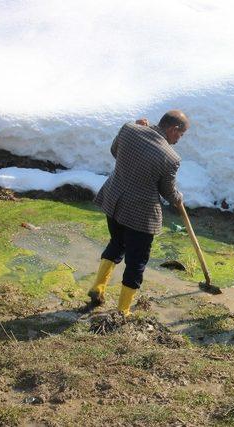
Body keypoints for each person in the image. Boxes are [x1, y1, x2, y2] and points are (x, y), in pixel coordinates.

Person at [88, 110, 189, 316]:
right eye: (181, 134)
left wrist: (138, 128)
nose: (179, 139)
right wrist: (178, 198)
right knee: (137, 261)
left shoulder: (129, 129)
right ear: (172, 129)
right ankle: (123, 310)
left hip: (114, 201)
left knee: (117, 243)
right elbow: (167, 190)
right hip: (141, 214)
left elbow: (116, 151)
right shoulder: (171, 157)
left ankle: (98, 287)